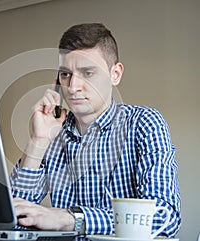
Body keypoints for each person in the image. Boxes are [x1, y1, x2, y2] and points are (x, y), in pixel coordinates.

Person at [10, 23, 181, 237]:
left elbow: (165, 217)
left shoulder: (145, 123)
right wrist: (38, 140)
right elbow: (11, 219)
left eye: (88, 73)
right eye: (65, 74)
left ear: (115, 74)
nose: (72, 87)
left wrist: (70, 219)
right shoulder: (53, 133)